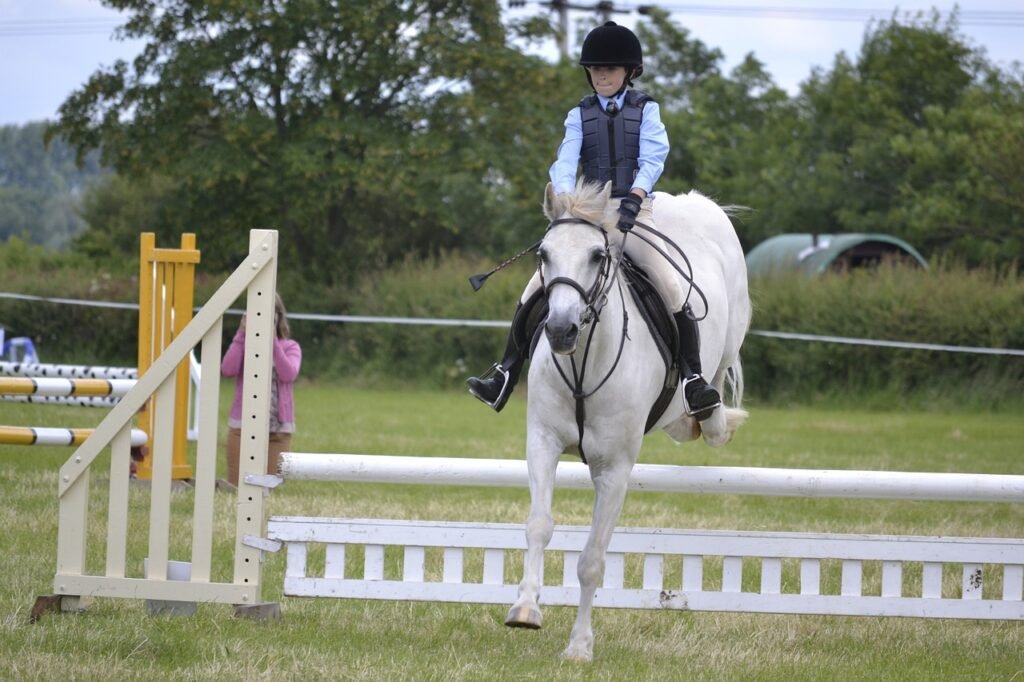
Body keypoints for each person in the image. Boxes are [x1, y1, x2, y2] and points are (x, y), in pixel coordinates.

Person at [466, 21, 721, 421]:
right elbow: (565, 160)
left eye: (611, 68)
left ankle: (693, 379)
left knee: (669, 286)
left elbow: (653, 158)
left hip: (633, 210)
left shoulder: (646, 110)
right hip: (586, 213)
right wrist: (567, 201)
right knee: (536, 286)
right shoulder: (578, 115)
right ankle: (505, 371)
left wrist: (636, 195)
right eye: (596, 68)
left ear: (628, 72)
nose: (602, 74)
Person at [220, 293, 302, 488]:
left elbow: (288, 374)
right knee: (237, 486)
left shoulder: (290, 347)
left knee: (270, 487)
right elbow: (227, 370)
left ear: (277, 318)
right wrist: (241, 335)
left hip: (277, 430)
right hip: (242, 426)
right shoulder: (244, 344)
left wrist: (272, 341)